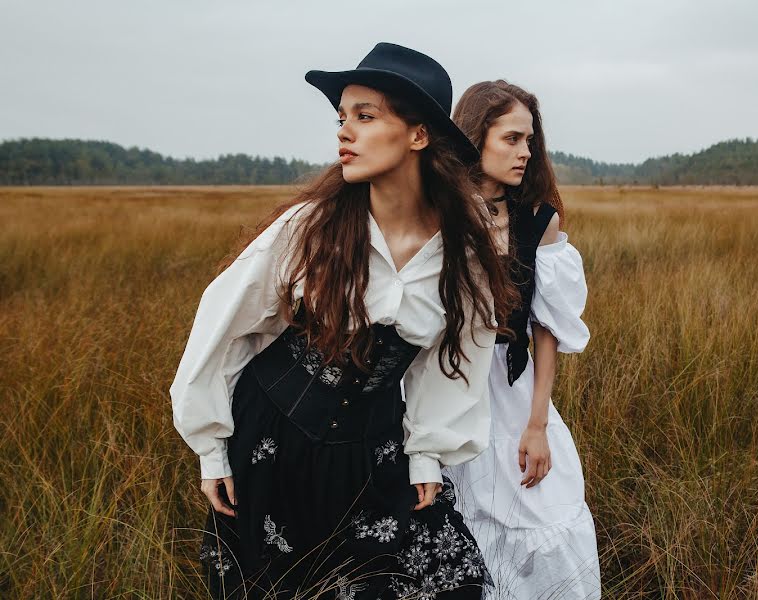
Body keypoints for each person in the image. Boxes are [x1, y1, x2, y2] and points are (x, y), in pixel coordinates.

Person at [170, 43, 513, 599]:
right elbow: (227, 324)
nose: (343, 133)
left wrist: (426, 452)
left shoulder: (462, 252)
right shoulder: (313, 227)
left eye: (365, 116)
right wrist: (212, 446)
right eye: (341, 118)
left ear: (418, 135)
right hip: (273, 441)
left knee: (448, 585)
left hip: (375, 451)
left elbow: (457, 359)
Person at [446, 80, 602, 599]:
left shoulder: (540, 221)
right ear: (475, 137)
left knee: (541, 516)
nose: (525, 152)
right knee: (456, 528)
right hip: (444, 387)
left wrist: (537, 424)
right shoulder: (439, 211)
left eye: (529, 141)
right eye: (511, 139)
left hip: (512, 391)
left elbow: (547, 330)